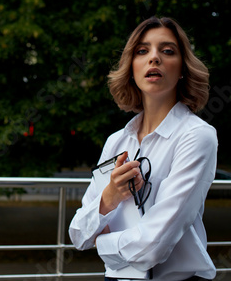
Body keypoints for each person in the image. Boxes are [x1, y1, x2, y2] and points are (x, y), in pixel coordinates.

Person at [69, 16, 217, 281]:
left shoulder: (196, 137)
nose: (154, 58)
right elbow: (79, 233)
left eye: (168, 51)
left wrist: (102, 243)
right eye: (142, 51)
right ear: (132, 67)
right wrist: (110, 197)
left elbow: (154, 246)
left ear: (182, 67)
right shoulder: (117, 142)